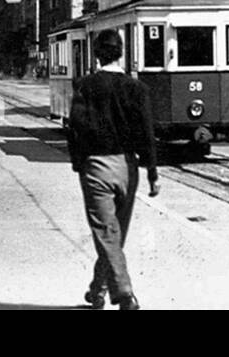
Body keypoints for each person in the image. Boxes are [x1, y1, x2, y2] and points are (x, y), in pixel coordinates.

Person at [66, 28, 159, 312]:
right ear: (122, 53)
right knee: (115, 234)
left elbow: (75, 128)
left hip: (96, 167)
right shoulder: (137, 88)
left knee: (107, 233)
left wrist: (79, 163)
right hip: (127, 168)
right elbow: (147, 132)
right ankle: (98, 290)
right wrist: (152, 172)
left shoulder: (84, 86)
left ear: (96, 54)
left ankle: (124, 295)